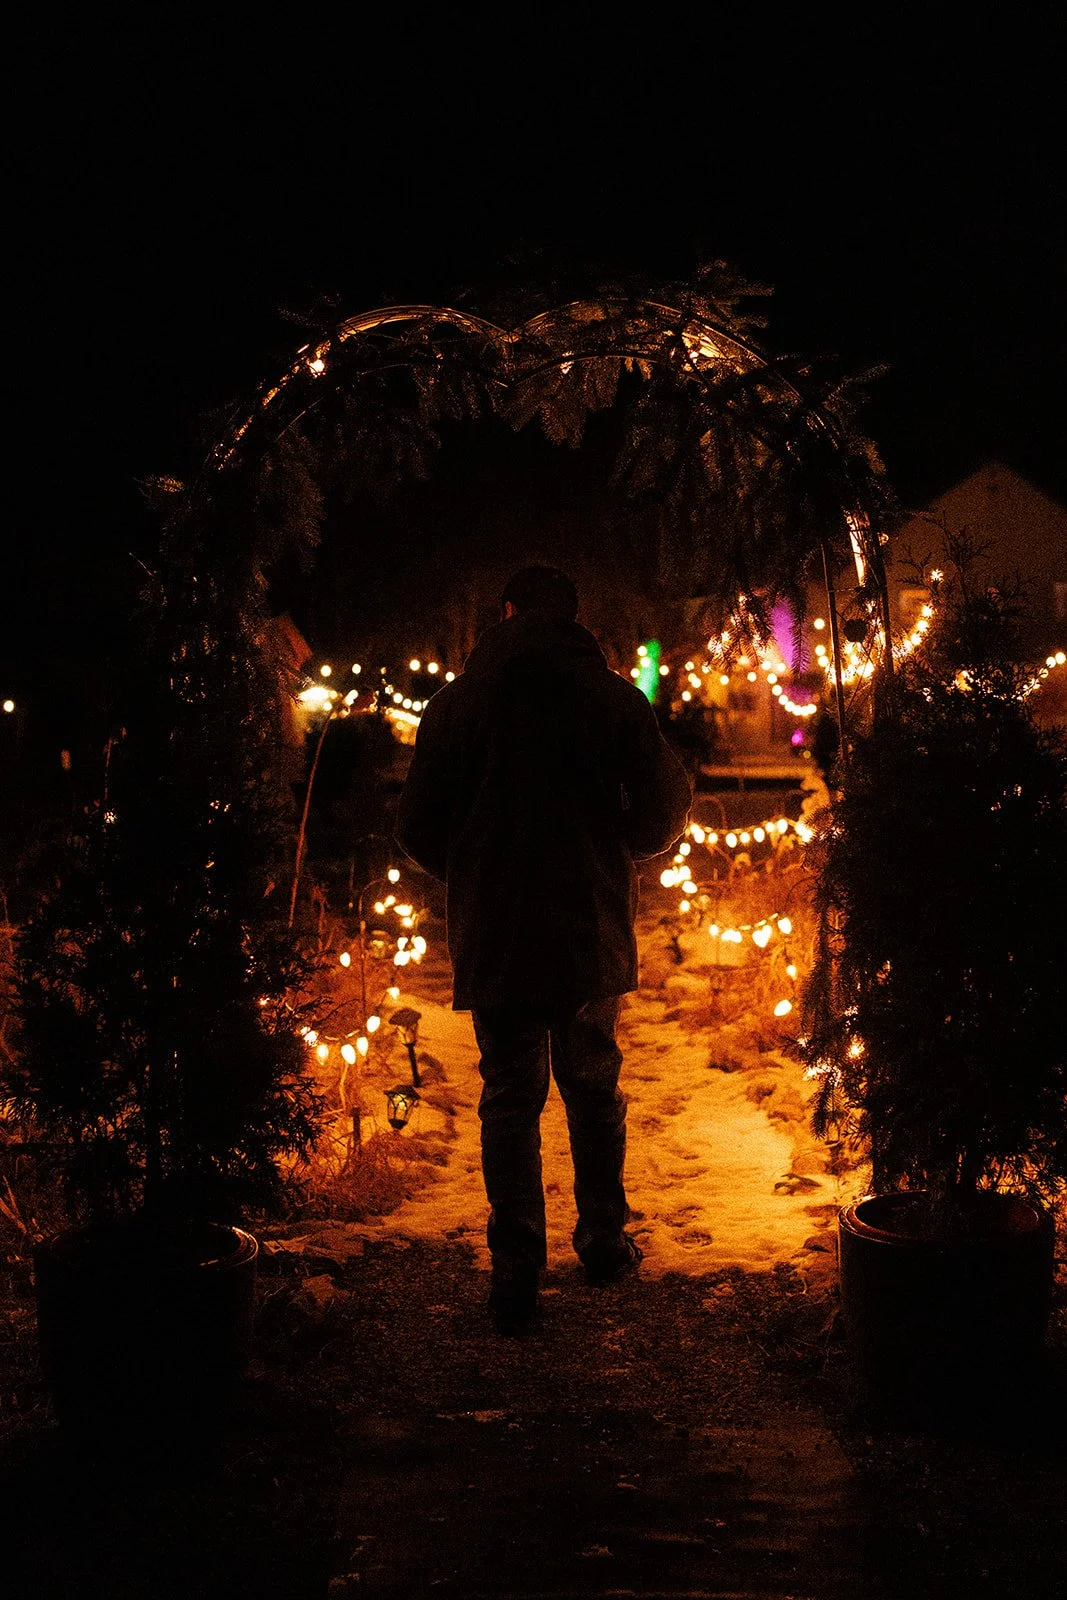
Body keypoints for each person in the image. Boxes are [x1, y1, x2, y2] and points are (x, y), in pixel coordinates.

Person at [395, 566, 691, 1334]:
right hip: (586, 918)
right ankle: (600, 1241)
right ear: (573, 617)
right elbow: (664, 806)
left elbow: (418, 820)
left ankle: (515, 1269)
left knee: (508, 1093)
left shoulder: (458, 705)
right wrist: (616, 851)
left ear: (505, 613)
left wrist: (469, 870)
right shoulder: (613, 701)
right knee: (592, 1083)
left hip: (495, 925)